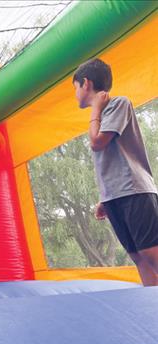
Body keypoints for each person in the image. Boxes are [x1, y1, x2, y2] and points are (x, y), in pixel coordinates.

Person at [73, 58, 158, 286]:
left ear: (86, 83)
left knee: (151, 253)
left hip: (134, 191)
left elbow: (97, 142)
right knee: (138, 257)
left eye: (75, 88)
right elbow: (110, 161)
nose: (75, 94)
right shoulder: (100, 116)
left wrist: (96, 109)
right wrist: (105, 197)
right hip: (116, 195)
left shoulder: (118, 103)